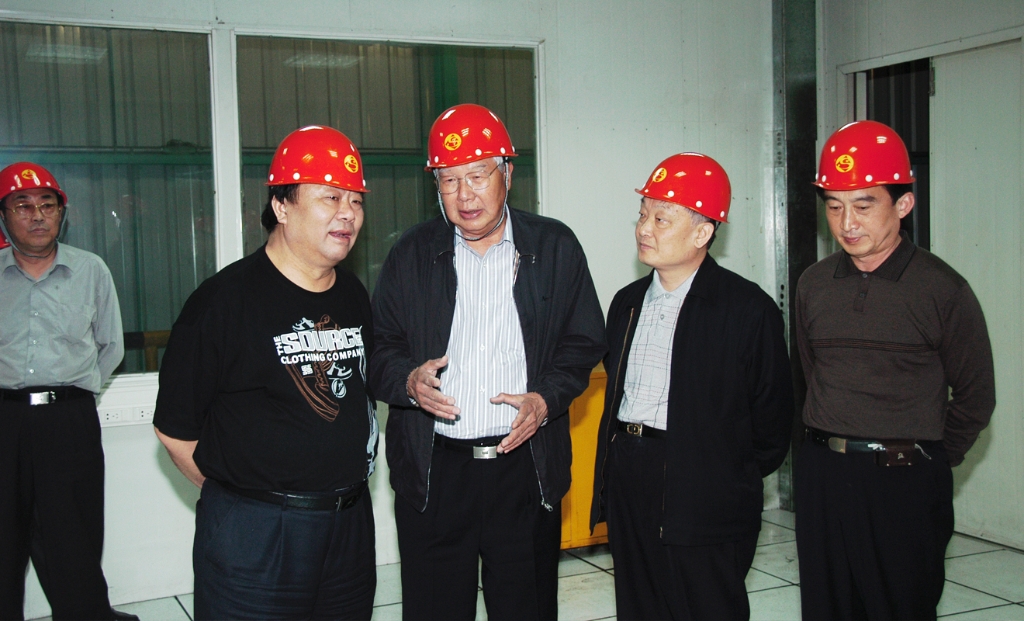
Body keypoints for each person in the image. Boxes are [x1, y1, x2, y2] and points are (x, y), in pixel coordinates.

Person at [369, 103, 606, 621]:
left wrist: (546, 399)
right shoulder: (411, 254)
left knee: (526, 607)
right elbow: (379, 348)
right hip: (435, 473)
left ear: (507, 174)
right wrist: (408, 382)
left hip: (524, 467)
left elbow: (584, 341)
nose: (465, 195)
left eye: (478, 175)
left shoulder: (554, 247)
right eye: (449, 180)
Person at [153, 126, 379, 620]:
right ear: (281, 206)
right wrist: (242, 500)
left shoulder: (352, 294)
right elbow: (174, 430)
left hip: (348, 527)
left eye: (356, 201)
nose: (348, 213)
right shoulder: (221, 302)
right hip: (256, 537)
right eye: (330, 197)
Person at [795, 120, 996, 620]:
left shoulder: (942, 289)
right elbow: (810, 374)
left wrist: (928, 461)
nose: (847, 223)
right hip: (823, 477)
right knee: (827, 607)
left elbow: (976, 396)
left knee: (900, 607)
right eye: (834, 206)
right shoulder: (813, 284)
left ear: (903, 204)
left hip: (903, 480)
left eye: (864, 205)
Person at [589, 153, 794, 620]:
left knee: (705, 605)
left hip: (706, 490)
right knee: (640, 605)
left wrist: (722, 472)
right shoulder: (627, 303)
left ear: (703, 233)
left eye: (662, 218)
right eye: (643, 214)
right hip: (630, 475)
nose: (644, 229)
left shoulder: (747, 310)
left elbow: (772, 423)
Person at [0, 163, 131, 621]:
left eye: (47, 205)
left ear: (62, 213)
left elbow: (111, 346)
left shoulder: (90, 270)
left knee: (74, 537)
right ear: (4, 216)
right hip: (5, 420)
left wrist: (75, 393)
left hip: (68, 422)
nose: (37, 215)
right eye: (22, 205)